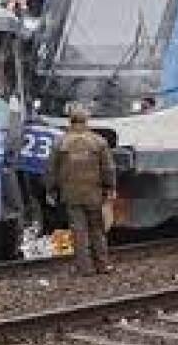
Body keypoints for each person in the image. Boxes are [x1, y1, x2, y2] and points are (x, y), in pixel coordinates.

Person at [45, 102, 116, 276]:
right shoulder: (99, 142)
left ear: (70, 121)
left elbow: (51, 169)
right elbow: (108, 168)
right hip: (94, 192)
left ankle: (84, 268)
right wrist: (110, 187)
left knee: (78, 231)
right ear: (87, 121)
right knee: (97, 229)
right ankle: (103, 265)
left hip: (71, 194)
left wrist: (50, 190)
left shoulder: (60, 143)